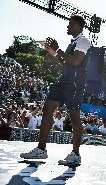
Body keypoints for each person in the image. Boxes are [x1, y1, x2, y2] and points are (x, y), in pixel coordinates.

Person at [20, 15, 91, 165]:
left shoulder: (83, 41)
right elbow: (65, 62)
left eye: (70, 24)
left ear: (78, 26)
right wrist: (53, 52)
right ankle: (41, 149)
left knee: (74, 117)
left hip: (75, 84)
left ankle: (76, 154)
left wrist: (58, 49)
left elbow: (76, 61)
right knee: (47, 108)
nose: (68, 26)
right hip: (63, 81)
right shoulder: (73, 42)